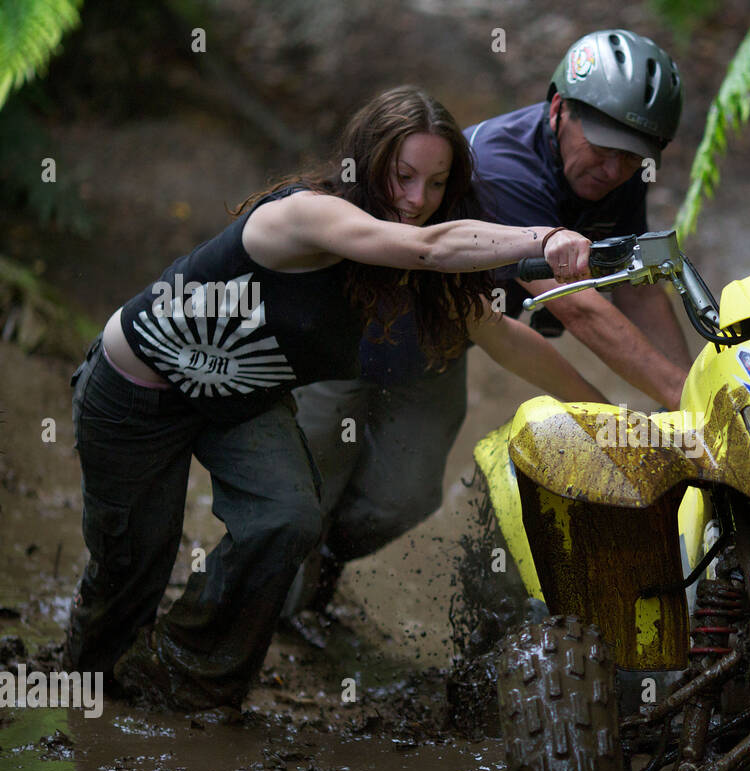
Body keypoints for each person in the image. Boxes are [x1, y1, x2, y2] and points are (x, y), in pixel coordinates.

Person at [66, 85, 603, 712]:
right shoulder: (306, 215)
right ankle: (83, 695)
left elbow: (511, 341)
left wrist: (610, 417)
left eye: (435, 184)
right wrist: (542, 238)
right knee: (133, 569)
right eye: (402, 176)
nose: (416, 201)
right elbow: (427, 247)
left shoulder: (415, 273)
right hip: (138, 387)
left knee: (288, 518)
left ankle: (188, 671)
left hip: (241, 400)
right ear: (365, 162)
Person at [286, 30, 693, 622]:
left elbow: (636, 282)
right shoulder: (502, 165)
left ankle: (311, 584)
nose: (614, 168)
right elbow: (574, 305)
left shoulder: (615, 172)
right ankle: (256, 617)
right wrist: (675, 397)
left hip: (441, 336)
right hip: (346, 337)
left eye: (633, 156)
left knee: (404, 498)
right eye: (602, 146)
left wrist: (690, 391)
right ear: (558, 109)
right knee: (302, 493)